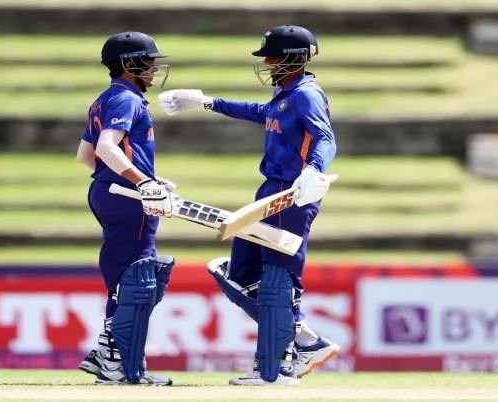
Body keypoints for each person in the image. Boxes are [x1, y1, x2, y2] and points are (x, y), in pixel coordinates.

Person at [158, 25, 339, 386]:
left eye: (273, 57)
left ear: (296, 58)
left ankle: (277, 367)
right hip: (270, 189)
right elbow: (259, 112)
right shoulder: (285, 92)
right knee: (239, 273)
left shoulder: (306, 95)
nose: (268, 63)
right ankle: (305, 339)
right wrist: (207, 102)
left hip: (293, 192)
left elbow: (324, 137)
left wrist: (314, 170)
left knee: (278, 277)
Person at [75, 31, 176, 386]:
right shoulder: (127, 100)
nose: (154, 69)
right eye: (149, 63)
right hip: (127, 197)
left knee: (127, 277)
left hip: (107, 191)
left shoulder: (104, 99)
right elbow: (105, 148)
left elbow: (84, 156)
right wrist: (142, 182)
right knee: (136, 279)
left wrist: (145, 178)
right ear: (130, 64)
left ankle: (109, 353)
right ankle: (119, 364)